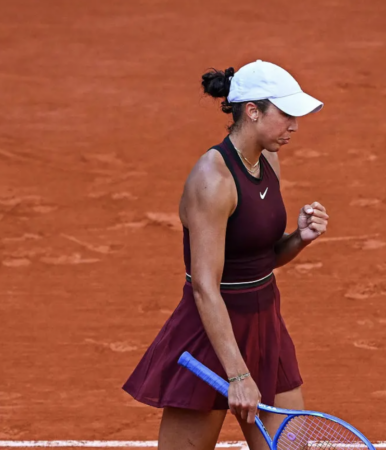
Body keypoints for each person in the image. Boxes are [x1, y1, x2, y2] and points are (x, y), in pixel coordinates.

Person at [122, 59, 329, 450]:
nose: (295, 126)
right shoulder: (212, 181)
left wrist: (298, 239)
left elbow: (260, 260)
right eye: (286, 115)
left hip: (265, 325)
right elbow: (204, 286)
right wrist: (237, 374)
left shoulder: (267, 159)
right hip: (211, 333)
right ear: (252, 111)